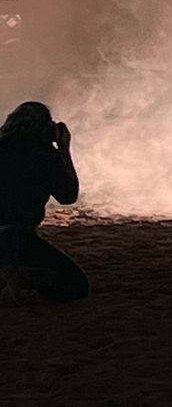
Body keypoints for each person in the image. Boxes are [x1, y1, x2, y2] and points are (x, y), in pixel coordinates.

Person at [0, 101, 88, 303]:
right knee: (74, 283)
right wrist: (64, 150)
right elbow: (68, 197)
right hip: (17, 236)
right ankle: (20, 277)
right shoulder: (44, 155)